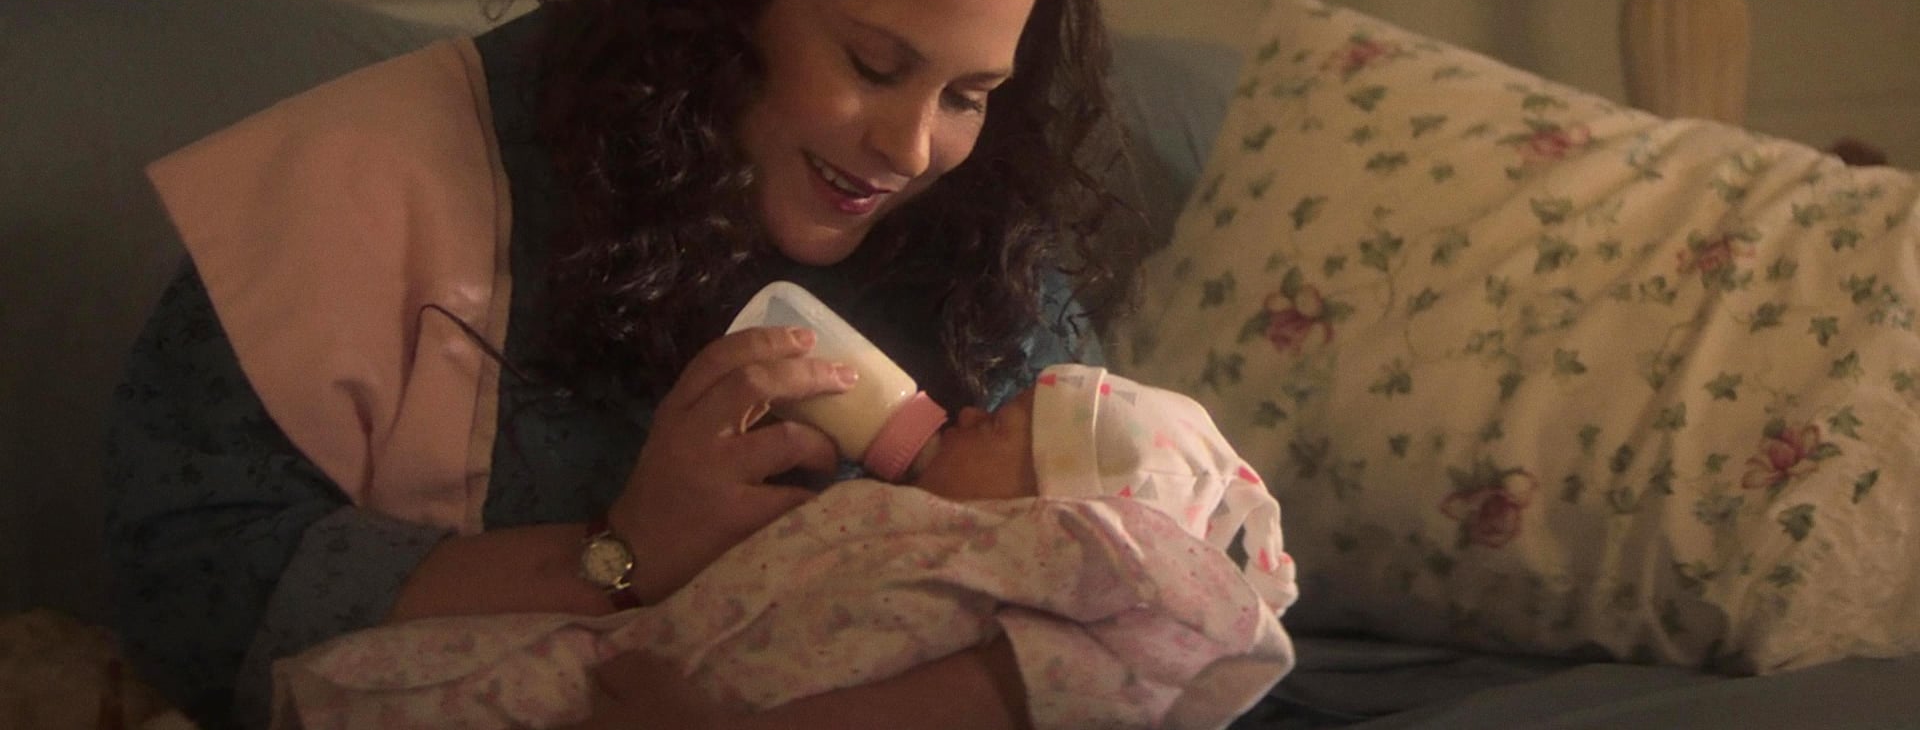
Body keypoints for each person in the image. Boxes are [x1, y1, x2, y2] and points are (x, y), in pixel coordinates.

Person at [104, 0, 1144, 730]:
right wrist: (619, 550)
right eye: (874, 65)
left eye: (969, 95)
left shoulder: (982, 248)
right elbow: (192, 594)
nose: (913, 151)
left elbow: (1151, 606)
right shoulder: (390, 177)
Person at [272, 367, 1299, 730]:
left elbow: (1208, 623)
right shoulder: (916, 526)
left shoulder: (1071, 560)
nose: (968, 407)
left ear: (1073, 506)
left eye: (1001, 423)